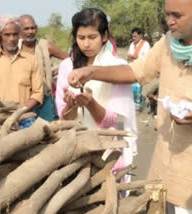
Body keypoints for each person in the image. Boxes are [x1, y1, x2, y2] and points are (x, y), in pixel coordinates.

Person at [68, 0, 192, 213]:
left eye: (177, 15)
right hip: (167, 162)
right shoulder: (169, 43)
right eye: (168, 14)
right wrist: (92, 72)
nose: (169, 21)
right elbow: (135, 72)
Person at [56, 8, 137, 179]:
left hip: (108, 152)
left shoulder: (117, 67)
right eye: (81, 37)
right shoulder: (67, 66)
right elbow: (65, 119)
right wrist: (71, 106)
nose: (86, 44)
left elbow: (116, 120)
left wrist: (90, 103)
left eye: (92, 37)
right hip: (75, 150)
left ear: (104, 36)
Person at [0, 15, 43, 115]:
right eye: (7, 35)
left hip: (24, 116)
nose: (12, 38)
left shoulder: (31, 60)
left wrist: (20, 111)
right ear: (0, 37)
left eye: (15, 34)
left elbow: (37, 93)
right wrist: (2, 112)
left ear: (19, 36)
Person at [18, 14, 68, 122]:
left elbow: (68, 59)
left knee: (48, 132)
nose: (30, 31)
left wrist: (56, 71)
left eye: (33, 28)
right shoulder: (15, 48)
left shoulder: (45, 46)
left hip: (43, 97)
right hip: (22, 98)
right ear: (19, 30)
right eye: (26, 29)